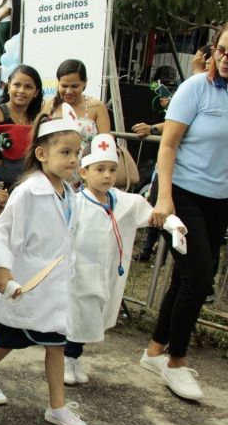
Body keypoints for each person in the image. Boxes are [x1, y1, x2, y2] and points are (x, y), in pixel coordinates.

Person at [0, 105, 93, 425]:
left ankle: (57, 407)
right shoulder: (28, 191)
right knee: (9, 337)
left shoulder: (69, 193)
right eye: (64, 152)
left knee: (55, 343)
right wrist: (1, 269)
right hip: (27, 283)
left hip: (54, 289)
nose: (72, 159)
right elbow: (4, 232)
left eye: (76, 152)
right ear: (41, 153)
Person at [143, 23, 228, 401]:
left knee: (185, 277)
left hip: (219, 199)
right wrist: (164, 199)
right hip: (181, 194)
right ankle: (175, 363)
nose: (224, 59)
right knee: (199, 280)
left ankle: (154, 351)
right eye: (222, 50)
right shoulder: (196, 88)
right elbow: (168, 146)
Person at [67, 134, 186, 385]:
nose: (107, 175)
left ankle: (75, 357)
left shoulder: (123, 201)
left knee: (93, 319)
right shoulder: (76, 204)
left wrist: (175, 225)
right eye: (100, 169)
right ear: (84, 172)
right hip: (79, 273)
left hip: (108, 273)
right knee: (77, 318)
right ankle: (68, 359)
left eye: (112, 169)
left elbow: (154, 215)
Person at [0, 64, 43, 206]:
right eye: (17, 85)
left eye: (28, 87)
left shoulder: (38, 119)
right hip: (0, 191)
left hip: (29, 191)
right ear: (8, 87)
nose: (21, 90)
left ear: (36, 92)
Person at [43, 59, 110, 152]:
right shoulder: (47, 105)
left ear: (85, 82)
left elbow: (106, 142)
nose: (69, 91)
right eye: (64, 86)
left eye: (74, 86)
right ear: (58, 83)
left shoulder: (97, 107)